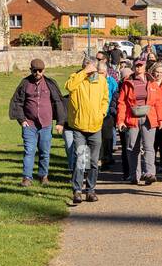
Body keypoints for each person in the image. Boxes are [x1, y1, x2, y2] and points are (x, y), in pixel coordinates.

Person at [8, 57, 66, 187]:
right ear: (31, 70)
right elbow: (17, 102)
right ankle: (27, 178)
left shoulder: (50, 84)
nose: (37, 73)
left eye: (40, 70)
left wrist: (60, 122)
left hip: (46, 124)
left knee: (44, 152)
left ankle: (43, 175)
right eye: (35, 71)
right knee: (29, 151)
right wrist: (21, 120)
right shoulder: (25, 83)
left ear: (44, 70)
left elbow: (58, 101)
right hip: (29, 124)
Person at [64, 52, 109, 203]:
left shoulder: (101, 81)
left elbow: (105, 99)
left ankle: (91, 190)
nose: (90, 72)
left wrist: (102, 113)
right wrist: (83, 72)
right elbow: (69, 87)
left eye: (91, 69)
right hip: (79, 126)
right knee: (81, 159)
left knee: (94, 161)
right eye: (86, 68)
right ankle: (77, 190)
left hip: (96, 126)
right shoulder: (76, 78)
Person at [116, 58, 162, 184]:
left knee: (149, 147)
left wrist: (161, 119)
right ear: (134, 67)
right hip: (132, 118)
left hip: (149, 117)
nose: (138, 68)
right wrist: (121, 121)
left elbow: (159, 102)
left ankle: (150, 173)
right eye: (137, 66)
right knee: (133, 147)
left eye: (141, 66)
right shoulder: (127, 83)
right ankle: (134, 175)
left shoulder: (152, 83)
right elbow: (122, 103)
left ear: (145, 68)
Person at [99, 58, 119, 171]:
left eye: (102, 73)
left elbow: (115, 96)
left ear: (106, 72)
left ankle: (107, 159)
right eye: (98, 72)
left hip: (107, 114)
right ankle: (98, 159)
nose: (100, 74)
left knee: (107, 138)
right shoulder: (94, 81)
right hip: (95, 114)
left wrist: (112, 109)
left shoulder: (111, 82)